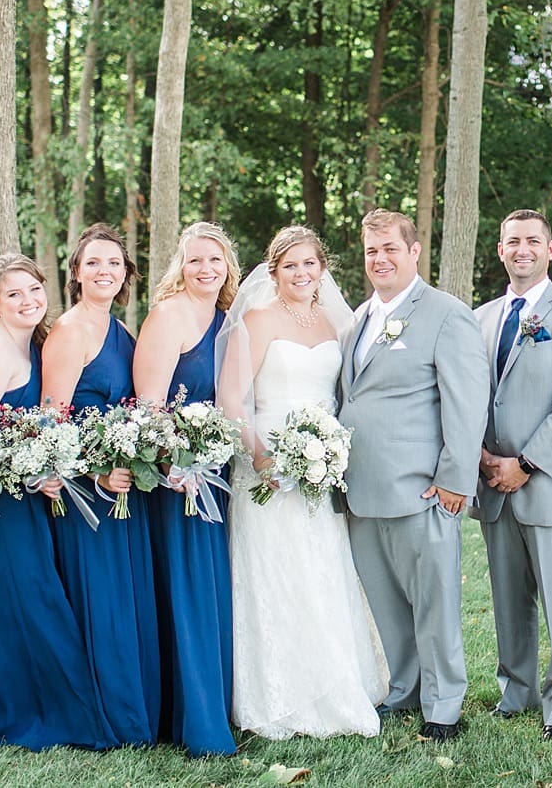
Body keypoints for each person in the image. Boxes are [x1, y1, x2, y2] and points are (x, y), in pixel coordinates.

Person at [216, 225, 389, 738]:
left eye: (310, 264)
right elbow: (231, 400)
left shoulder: (339, 322)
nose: (301, 273)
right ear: (273, 272)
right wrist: (260, 454)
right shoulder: (256, 320)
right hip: (266, 469)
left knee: (323, 568)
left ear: (323, 268)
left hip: (322, 468)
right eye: (290, 265)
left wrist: (330, 450)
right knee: (275, 572)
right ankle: (277, 694)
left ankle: (337, 681)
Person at [338, 208, 488, 743]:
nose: (380, 259)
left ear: (414, 251)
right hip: (359, 489)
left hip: (421, 488)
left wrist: (454, 479)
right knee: (384, 602)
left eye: (390, 249)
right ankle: (405, 687)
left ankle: (444, 703)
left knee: (434, 602)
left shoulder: (447, 314)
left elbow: (467, 404)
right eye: (371, 251)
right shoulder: (358, 317)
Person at [0, 254, 113, 750]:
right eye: (14, 294)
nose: (27, 301)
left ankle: (49, 710)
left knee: (36, 598)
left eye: (33, 291)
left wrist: (46, 466)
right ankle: (24, 714)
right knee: (20, 604)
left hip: (25, 500)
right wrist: (30, 471)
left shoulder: (35, 344)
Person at [473, 210, 552, 742]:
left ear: (550, 250)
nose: (522, 249)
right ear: (500, 250)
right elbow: (472, 395)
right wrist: (481, 456)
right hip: (492, 481)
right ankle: (517, 689)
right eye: (512, 241)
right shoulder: (480, 317)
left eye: (533, 240)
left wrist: (525, 464)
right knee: (508, 599)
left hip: (548, 482)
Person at [40, 224, 160, 746]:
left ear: (127, 274)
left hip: (124, 488)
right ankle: (109, 716)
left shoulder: (122, 331)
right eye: (93, 263)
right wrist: (95, 471)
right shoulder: (70, 332)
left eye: (114, 263)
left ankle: (138, 710)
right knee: (103, 604)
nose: (104, 271)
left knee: (126, 599)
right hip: (89, 494)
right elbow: (50, 418)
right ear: (76, 273)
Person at [133, 221, 241, 757]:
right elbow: (148, 407)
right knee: (188, 592)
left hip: (217, 477)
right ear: (181, 264)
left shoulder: (230, 316)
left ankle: (216, 707)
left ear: (228, 266)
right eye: (196, 260)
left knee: (212, 593)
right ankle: (195, 722)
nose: (206, 269)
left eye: (215, 260)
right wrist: (178, 463)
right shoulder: (169, 314)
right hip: (176, 482)